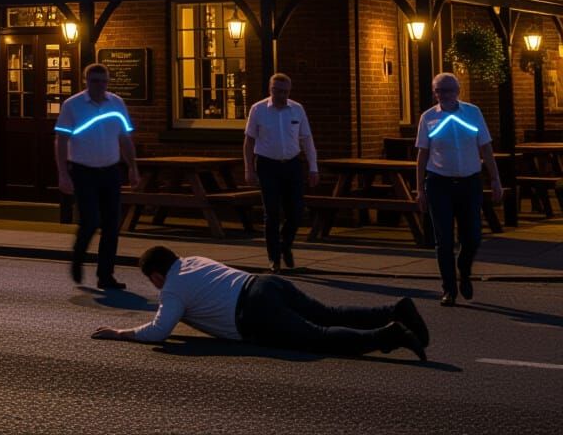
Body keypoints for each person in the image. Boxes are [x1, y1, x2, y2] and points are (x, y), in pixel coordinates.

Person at [91, 245, 428, 361]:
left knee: (319, 336)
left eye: (152, 280)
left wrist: (121, 333)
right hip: (263, 283)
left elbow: (159, 331)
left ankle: (390, 335)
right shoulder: (193, 260)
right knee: (328, 312)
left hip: (252, 310)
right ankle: (394, 309)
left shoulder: (171, 290)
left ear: (156, 276)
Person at [415, 72, 503, 307]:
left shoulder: (473, 113)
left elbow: (485, 148)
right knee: (443, 239)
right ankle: (449, 289)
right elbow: (422, 155)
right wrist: (420, 190)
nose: (444, 95)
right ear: (434, 93)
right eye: (439, 91)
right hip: (439, 182)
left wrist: (494, 179)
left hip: (469, 182)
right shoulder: (428, 118)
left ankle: (464, 269)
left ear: (458, 91)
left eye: (449, 90)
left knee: (472, 236)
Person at [55, 62, 139, 290]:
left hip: (110, 170)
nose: (99, 86)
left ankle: (106, 275)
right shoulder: (73, 105)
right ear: (86, 81)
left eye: (103, 81)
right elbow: (61, 141)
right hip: (83, 170)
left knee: (112, 225)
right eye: (94, 81)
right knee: (90, 221)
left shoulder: (117, 103)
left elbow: (125, 139)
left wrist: (133, 167)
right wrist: (63, 174)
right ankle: (78, 256)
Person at [243, 72, 319, 272]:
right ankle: (274, 258)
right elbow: (249, 141)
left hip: (292, 163)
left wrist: (313, 167)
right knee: (272, 212)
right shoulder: (258, 110)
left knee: (296, 211)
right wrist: (249, 168)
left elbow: (307, 139)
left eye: (285, 92)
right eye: (277, 91)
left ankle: (285, 246)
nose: (281, 95)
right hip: (268, 164)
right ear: (271, 90)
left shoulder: (297, 110)